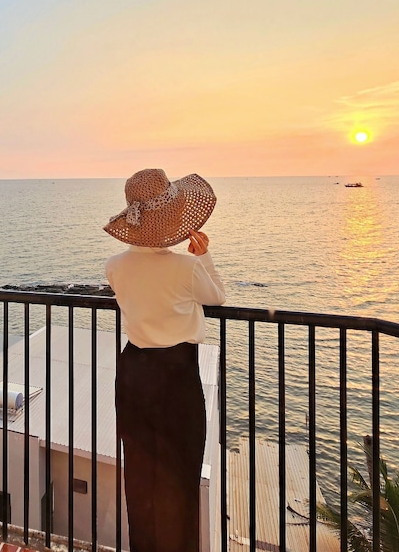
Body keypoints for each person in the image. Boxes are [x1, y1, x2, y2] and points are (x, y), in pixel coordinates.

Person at [103, 168, 226, 552]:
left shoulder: (115, 265)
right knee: (179, 475)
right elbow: (217, 296)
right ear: (170, 219)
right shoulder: (185, 268)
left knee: (140, 474)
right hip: (176, 375)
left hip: (133, 372)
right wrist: (203, 255)